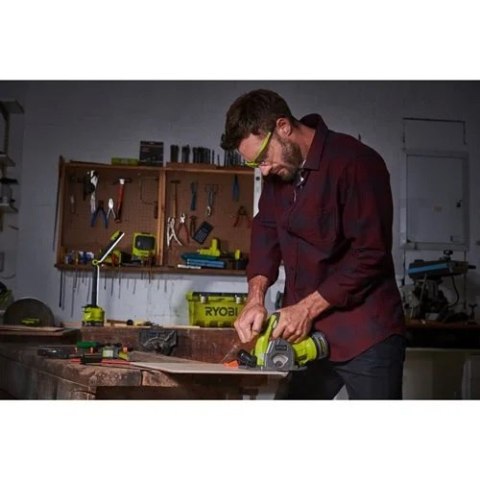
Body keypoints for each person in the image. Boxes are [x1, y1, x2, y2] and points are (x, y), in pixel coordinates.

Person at [220, 89, 406, 399]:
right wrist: (255, 298)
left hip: (366, 335)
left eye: (263, 158)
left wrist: (306, 308)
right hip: (306, 334)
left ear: (283, 127)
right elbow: (266, 232)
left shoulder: (357, 163)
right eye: (256, 164)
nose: (264, 170)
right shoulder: (278, 175)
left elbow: (370, 255)